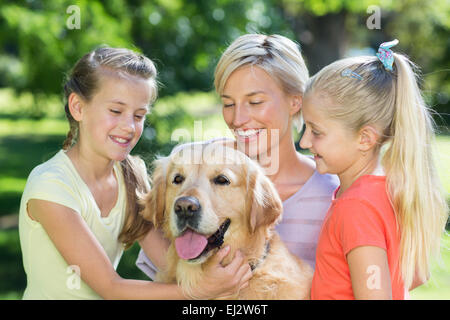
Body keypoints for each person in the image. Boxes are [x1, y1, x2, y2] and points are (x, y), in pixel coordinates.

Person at [18, 47, 252, 300]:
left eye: (139, 115)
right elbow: (111, 287)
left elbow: (168, 264)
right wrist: (201, 290)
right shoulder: (51, 185)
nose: (129, 126)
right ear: (78, 107)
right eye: (116, 111)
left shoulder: (130, 175)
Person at [136, 34, 339, 278]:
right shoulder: (187, 164)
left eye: (254, 102)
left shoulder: (331, 192)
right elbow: (164, 269)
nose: (238, 119)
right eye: (229, 104)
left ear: (295, 101)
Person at [299, 40, 448, 299]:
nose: (304, 142)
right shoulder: (387, 191)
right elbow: (412, 276)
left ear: (365, 138)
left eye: (316, 131)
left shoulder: (355, 207)